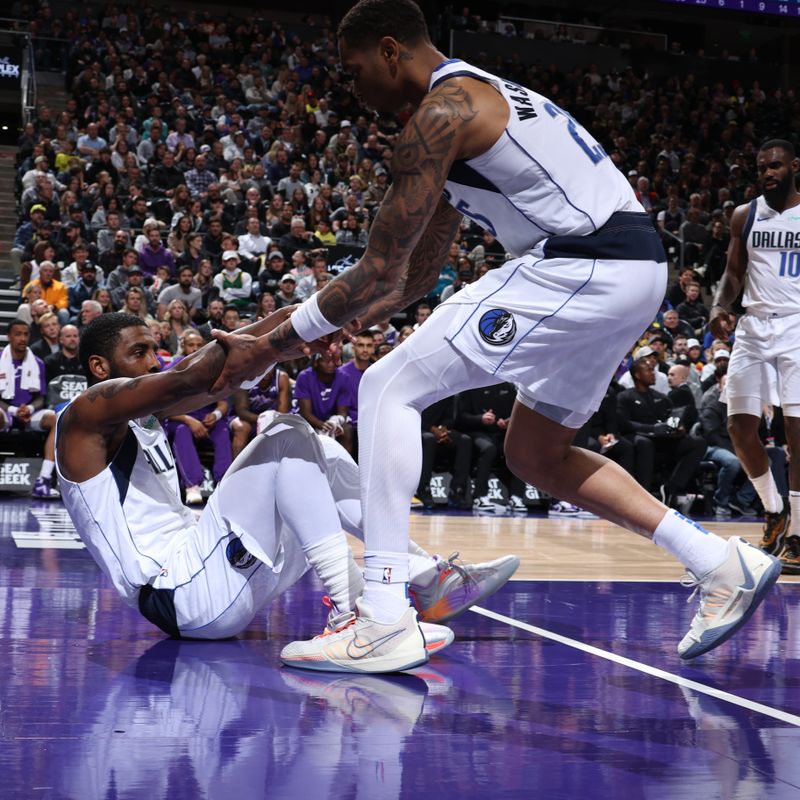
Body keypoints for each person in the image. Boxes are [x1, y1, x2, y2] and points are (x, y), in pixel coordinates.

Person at [209, 0, 779, 670]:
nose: (352, 87)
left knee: (389, 386)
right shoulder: (472, 102)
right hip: (632, 269)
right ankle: (719, 562)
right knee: (537, 454)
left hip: (584, 261)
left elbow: (376, 264)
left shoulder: (440, 115)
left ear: (391, 51)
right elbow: (413, 269)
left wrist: (272, 346)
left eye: (356, 69)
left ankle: (384, 616)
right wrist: (367, 311)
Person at [54, 313, 517, 652]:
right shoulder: (83, 419)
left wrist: (311, 318)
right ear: (99, 368)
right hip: (178, 594)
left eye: (154, 350)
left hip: (211, 579)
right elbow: (192, 377)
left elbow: (205, 366)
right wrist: (284, 339)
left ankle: (414, 581)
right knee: (283, 431)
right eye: (138, 354)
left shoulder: (144, 416)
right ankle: (349, 619)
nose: (153, 361)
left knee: (321, 449)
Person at [709, 139, 800, 572]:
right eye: (762, 166)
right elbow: (733, 272)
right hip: (753, 325)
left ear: (794, 167)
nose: (768, 173)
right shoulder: (745, 215)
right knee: (739, 426)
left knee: (796, 434)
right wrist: (718, 307)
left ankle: (798, 533)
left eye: (776, 166)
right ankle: (773, 510)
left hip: (798, 324)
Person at [0, 320, 59, 498]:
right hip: (6, 412)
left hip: (28, 413)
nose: (23, 338)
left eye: (26, 334)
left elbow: (41, 397)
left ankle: (44, 480)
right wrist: (12, 410)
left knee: (56, 418)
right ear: (8, 336)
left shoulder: (38, 362)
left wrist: (30, 409)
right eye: (18, 334)